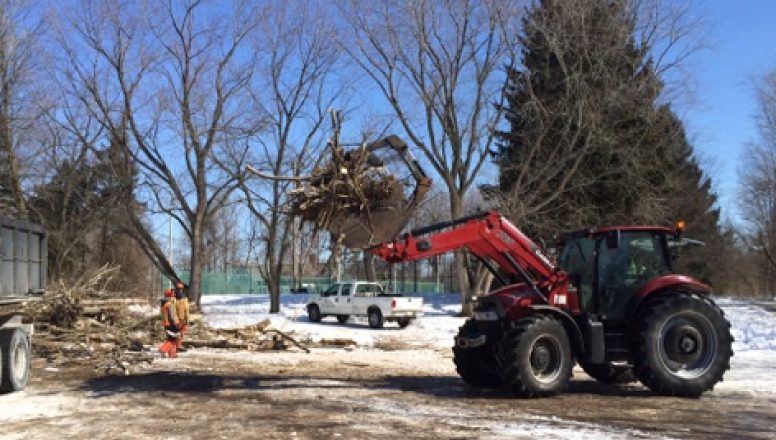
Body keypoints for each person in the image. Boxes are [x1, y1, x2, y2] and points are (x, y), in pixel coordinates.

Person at [159, 288, 180, 358]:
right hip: (171, 324)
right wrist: (176, 324)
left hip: (166, 324)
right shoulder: (169, 305)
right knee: (173, 339)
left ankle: (172, 354)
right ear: (170, 295)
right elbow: (172, 316)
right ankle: (163, 349)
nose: (174, 295)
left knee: (171, 339)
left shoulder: (163, 304)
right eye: (173, 294)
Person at [174, 282, 190, 351]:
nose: (179, 290)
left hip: (177, 319)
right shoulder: (184, 299)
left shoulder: (173, 298)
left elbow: (186, 310)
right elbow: (186, 310)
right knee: (180, 333)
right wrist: (187, 319)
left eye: (179, 289)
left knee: (178, 333)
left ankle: (177, 345)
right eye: (179, 289)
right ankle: (178, 346)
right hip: (179, 319)